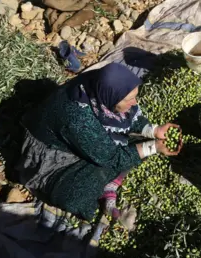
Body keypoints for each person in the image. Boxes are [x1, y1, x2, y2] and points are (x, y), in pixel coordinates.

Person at [16, 63, 181, 221]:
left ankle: (116, 171)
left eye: (134, 96)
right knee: (76, 197)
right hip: (50, 154)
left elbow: (127, 115)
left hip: (77, 133)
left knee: (134, 146)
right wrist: (152, 147)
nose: (135, 103)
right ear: (108, 97)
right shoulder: (78, 118)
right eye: (129, 99)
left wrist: (154, 130)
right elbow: (112, 157)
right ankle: (108, 185)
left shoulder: (96, 85)